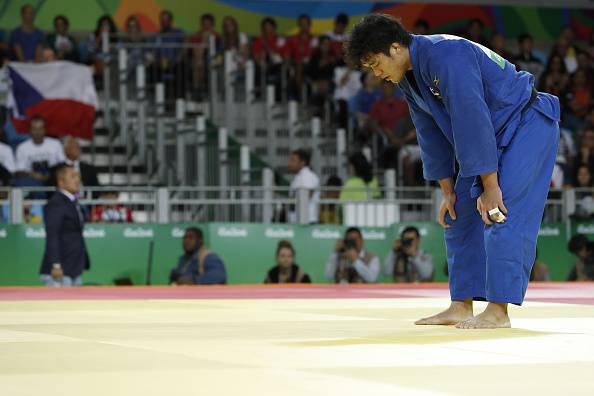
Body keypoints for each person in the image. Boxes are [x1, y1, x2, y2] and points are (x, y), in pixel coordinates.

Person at [345, 14, 560, 328]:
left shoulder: (446, 54)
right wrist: (448, 191)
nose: (377, 74)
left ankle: (498, 311)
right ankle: (461, 304)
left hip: (526, 124)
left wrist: (490, 186)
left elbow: (470, 117)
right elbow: (429, 133)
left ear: (394, 48)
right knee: (458, 216)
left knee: (500, 211)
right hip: (491, 136)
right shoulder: (408, 75)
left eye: (375, 64)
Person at [39, 164, 89, 287]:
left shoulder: (73, 202)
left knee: (77, 306)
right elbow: (52, 236)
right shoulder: (55, 204)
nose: (77, 180)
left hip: (74, 268)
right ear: (61, 182)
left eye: (77, 176)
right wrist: (55, 265)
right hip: (59, 272)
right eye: (72, 176)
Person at [14, 116, 65, 187]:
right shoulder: (22, 147)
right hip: (31, 182)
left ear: (45, 129)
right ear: (30, 130)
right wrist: (32, 174)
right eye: (34, 129)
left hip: (54, 181)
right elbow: (19, 171)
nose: (37, 132)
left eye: (40, 128)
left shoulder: (55, 144)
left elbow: (63, 165)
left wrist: (49, 175)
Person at [288, 149, 320, 224]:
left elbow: (306, 195)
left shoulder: (307, 176)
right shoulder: (298, 177)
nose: (289, 163)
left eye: (293, 160)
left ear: (302, 162)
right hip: (298, 220)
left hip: (307, 221)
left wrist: (286, 200)